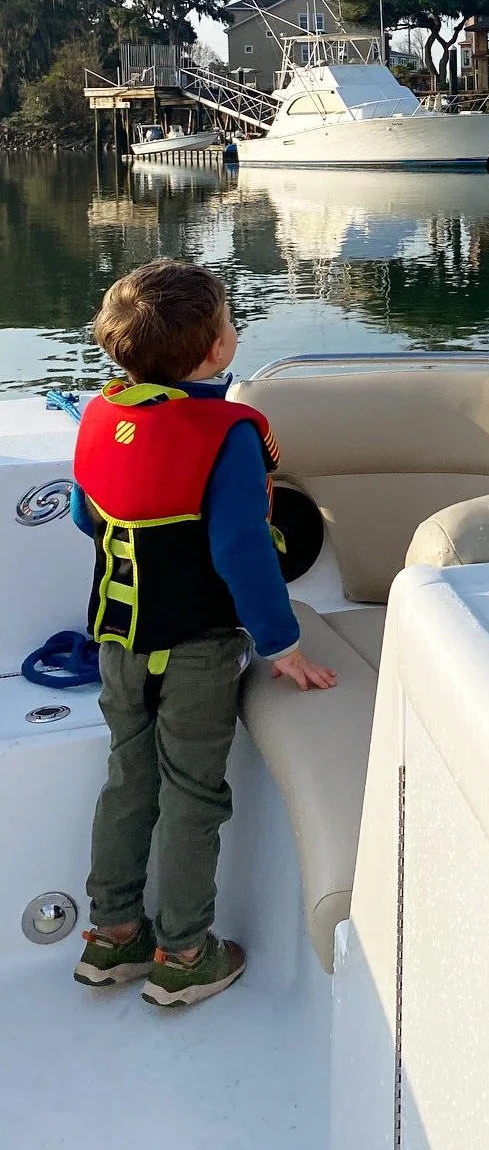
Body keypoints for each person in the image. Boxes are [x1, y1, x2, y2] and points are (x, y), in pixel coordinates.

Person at [69, 259, 335, 1008]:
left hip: (117, 643)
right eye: (228, 321)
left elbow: (86, 517)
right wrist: (282, 647)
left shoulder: (100, 418)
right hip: (195, 650)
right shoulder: (229, 435)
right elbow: (242, 549)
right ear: (218, 351)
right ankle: (184, 951)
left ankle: (112, 935)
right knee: (191, 792)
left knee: (128, 778)